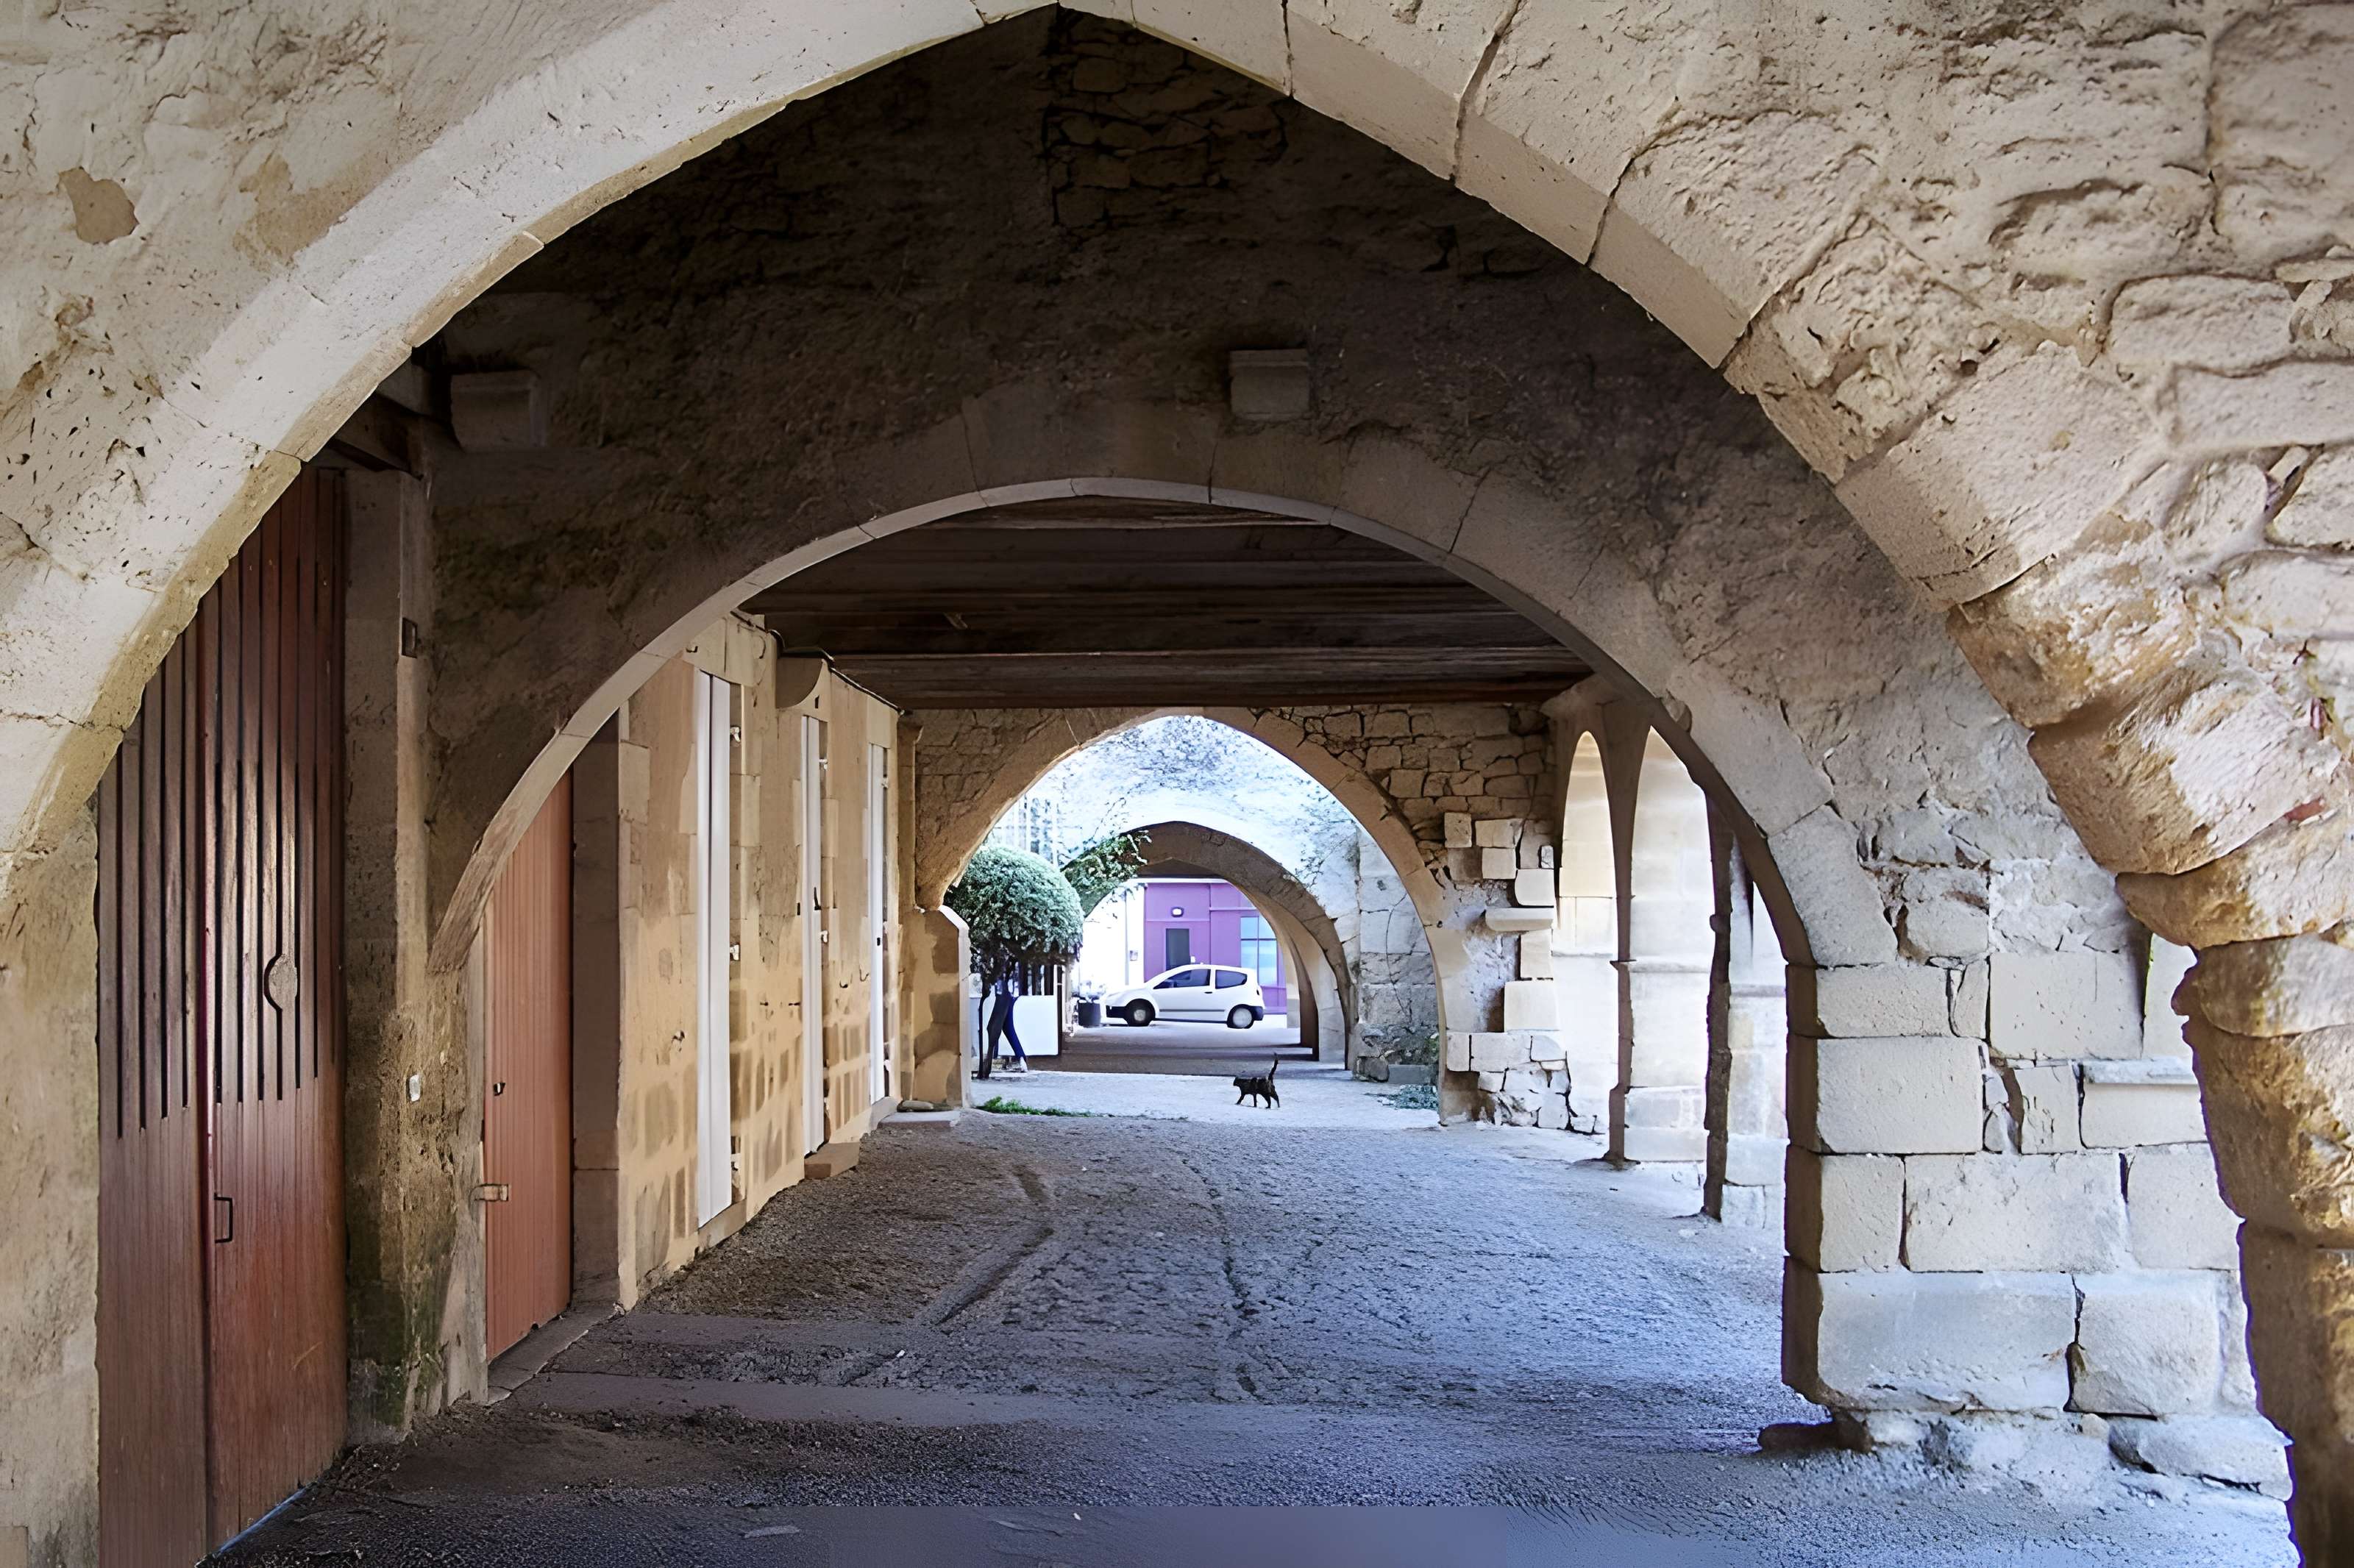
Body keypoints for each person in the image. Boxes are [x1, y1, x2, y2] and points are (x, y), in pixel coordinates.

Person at [985, 971, 1029, 1076]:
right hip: (1009, 991)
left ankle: (993, 1059)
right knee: (1007, 1028)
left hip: (1003, 991)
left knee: (995, 1026)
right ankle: (1021, 1058)